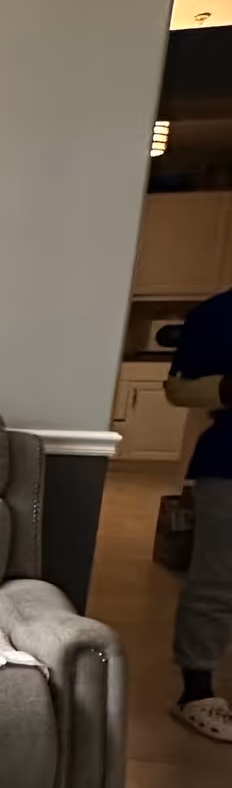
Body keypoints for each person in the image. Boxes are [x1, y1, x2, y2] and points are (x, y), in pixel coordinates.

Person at [164, 281, 232, 742]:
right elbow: (179, 388)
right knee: (218, 579)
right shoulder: (219, 314)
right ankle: (197, 690)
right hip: (229, 462)